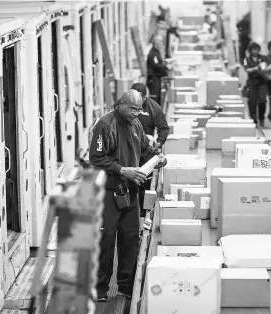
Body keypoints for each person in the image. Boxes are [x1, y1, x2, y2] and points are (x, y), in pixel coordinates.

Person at [89, 90, 167, 301]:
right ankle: (100, 288)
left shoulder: (136, 124)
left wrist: (156, 157)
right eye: (133, 109)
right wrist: (123, 170)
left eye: (140, 109)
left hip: (131, 191)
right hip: (109, 193)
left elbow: (143, 147)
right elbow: (96, 158)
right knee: (106, 240)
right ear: (121, 105)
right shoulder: (105, 125)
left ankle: (126, 286)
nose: (137, 113)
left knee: (130, 238)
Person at [131, 82, 170, 217]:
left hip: (144, 152)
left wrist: (158, 144)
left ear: (144, 97)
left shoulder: (154, 108)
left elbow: (164, 128)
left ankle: (143, 214)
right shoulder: (123, 105)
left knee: (144, 184)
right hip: (127, 150)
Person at [243, 41, 269, 127]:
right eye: (253, 50)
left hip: (262, 82)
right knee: (252, 101)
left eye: (257, 50)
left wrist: (264, 69)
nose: (255, 52)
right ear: (250, 51)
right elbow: (247, 70)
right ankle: (253, 119)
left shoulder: (264, 58)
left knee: (262, 101)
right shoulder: (247, 59)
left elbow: (266, 68)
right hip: (252, 82)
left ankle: (261, 118)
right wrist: (256, 68)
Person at [147, 35, 169, 106]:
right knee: (154, 97)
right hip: (154, 79)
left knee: (158, 97)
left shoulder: (156, 52)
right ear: (155, 43)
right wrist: (166, 67)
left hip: (157, 78)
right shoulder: (153, 54)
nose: (161, 44)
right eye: (160, 43)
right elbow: (156, 65)